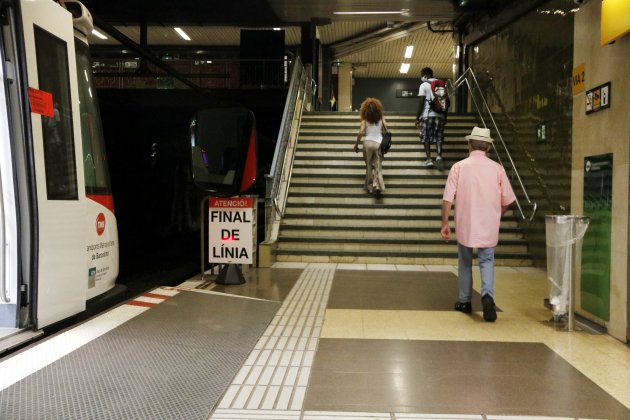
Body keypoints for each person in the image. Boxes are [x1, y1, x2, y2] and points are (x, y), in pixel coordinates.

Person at [440, 126, 516, 322]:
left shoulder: (458, 167)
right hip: (489, 224)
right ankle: (487, 296)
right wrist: (496, 214)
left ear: (469, 145)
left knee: (464, 261)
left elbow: (448, 198)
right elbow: (507, 200)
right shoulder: (497, 169)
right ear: (488, 148)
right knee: (487, 260)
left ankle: (465, 301)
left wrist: (445, 223)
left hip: (466, 222)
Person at [354, 97, 387, 195]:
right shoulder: (382, 120)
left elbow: (361, 132)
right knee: (377, 166)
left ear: (365, 110)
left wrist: (356, 144)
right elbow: (386, 131)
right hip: (379, 143)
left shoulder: (364, 121)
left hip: (367, 143)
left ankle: (370, 187)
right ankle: (377, 185)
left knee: (369, 166)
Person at [415, 67, 446, 170]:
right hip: (440, 115)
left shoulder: (423, 85)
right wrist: (445, 117)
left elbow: (421, 102)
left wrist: (417, 117)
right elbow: (445, 101)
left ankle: (429, 159)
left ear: (425, 75)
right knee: (439, 137)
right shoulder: (442, 84)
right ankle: (439, 156)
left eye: (421, 75)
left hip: (427, 115)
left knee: (426, 136)